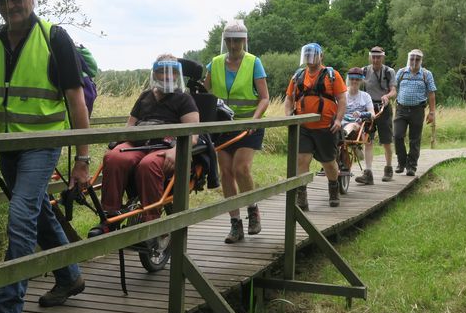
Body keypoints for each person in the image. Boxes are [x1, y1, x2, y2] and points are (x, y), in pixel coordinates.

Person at [0, 0, 90, 313]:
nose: (11, 4)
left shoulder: (55, 38)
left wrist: (82, 158)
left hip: (42, 145)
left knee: (20, 215)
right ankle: (69, 276)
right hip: (8, 149)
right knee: (37, 212)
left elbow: (76, 102)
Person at [99, 55, 200, 222]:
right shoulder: (145, 96)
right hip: (138, 143)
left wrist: (176, 151)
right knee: (113, 157)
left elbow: (193, 134)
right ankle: (110, 215)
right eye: (162, 72)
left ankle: (151, 222)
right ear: (154, 74)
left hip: (166, 146)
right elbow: (129, 127)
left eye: (173, 72)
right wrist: (118, 144)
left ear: (178, 75)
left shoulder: (184, 99)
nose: (168, 76)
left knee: (149, 165)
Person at [204, 19, 269, 244]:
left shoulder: (254, 62)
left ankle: (253, 210)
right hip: (223, 127)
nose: (233, 45)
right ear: (225, 41)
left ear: (244, 41)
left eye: (238, 40)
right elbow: (204, 93)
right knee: (226, 173)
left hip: (248, 126)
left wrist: (254, 120)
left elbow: (265, 98)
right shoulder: (214, 63)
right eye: (230, 40)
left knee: (240, 168)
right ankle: (235, 224)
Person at [284, 43, 347, 209]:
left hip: (326, 127)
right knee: (302, 160)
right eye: (307, 55)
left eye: (313, 55)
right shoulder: (297, 76)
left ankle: (333, 188)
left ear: (321, 56)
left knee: (329, 162)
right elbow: (289, 99)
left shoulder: (332, 75)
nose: (310, 58)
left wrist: (339, 120)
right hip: (303, 127)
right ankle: (301, 197)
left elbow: (342, 99)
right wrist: (288, 117)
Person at [394, 49, 437, 176]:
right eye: (412, 58)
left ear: (421, 60)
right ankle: (401, 162)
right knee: (397, 135)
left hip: (417, 110)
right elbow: (394, 88)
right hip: (401, 109)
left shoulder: (426, 74)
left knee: (414, 139)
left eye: (417, 59)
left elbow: (431, 93)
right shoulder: (401, 72)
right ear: (408, 59)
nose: (414, 61)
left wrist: (432, 112)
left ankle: (411, 166)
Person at [357, 46, 397, 184]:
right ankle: (368, 173)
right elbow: (357, 87)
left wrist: (387, 96)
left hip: (383, 108)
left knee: (386, 141)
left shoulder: (389, 71)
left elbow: (393, 91)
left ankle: (388, 168)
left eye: (378, 57)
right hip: (368, 108)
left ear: (382, 57)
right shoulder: (364, 71)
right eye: (373, 57)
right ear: (370, 57)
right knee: (367, 140)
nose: (375, 60)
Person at [342, 67, 376, 178]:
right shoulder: (342, 94)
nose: (354, 81)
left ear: (361, 80)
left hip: (356, 125)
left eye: (357, 79)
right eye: (352, 79)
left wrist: (362, 114)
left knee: (352, 126)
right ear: (349, 79)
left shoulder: (365, 96)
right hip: (341, 120)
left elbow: (372, 114)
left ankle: (344, 135)